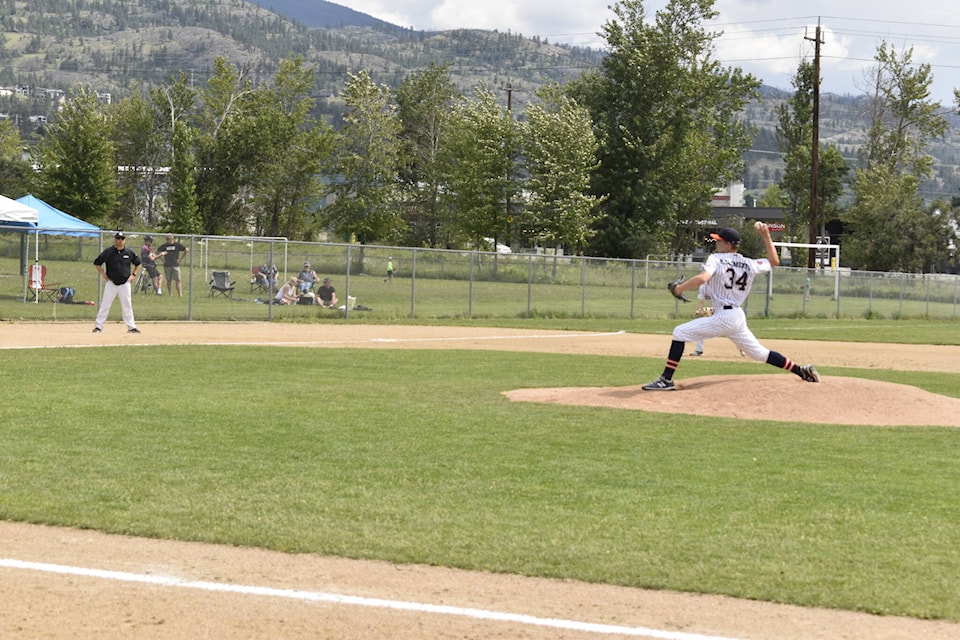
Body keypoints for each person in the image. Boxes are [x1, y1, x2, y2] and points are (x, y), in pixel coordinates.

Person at [642, 225, 819, 391]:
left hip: (725, 317)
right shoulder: (748, 263)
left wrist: (679, 289)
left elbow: (704, 278)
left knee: (679, 333)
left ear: (728, 245)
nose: (716, 243)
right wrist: (766, 236)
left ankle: (666, 380)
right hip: (736, 316)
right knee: (758, 353)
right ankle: (800, 370)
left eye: (719, 241)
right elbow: (774, 260)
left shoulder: (716, 259)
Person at [92, 231, 141, 334]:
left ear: (125, 240)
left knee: (127, 305)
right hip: (111, 282)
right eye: (118, 238)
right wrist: (104, 275)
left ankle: (131, 327)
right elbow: (97, 263)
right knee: (105, 304)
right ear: (115, 239)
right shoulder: (109, 252)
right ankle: (98, 326)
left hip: (125, 283)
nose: (120, 241)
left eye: (122, 239)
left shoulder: (129, 252)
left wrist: (133, 275)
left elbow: (138, 263)